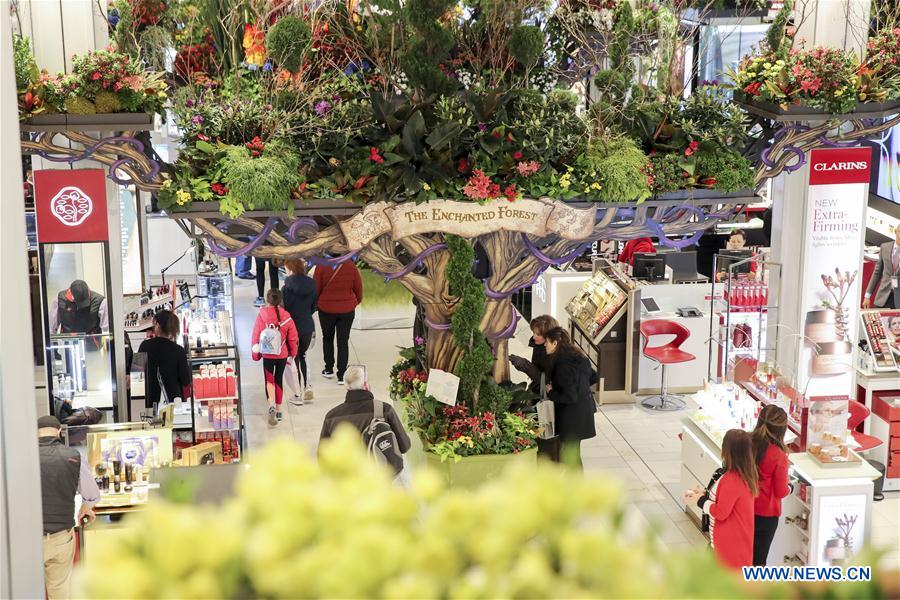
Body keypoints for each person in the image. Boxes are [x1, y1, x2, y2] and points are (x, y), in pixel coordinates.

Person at [37, 415, 100, 600]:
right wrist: (86, 507)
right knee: (60, 590)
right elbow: (92, 494)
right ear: (58, 431)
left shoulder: (21, 458)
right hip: (61, 536)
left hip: (27, 539)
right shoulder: (73, 456)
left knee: (26, 589)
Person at [684, 429, 757, 571]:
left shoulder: (732, 479)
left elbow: (721, 512)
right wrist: (705, 494)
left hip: (728, 547)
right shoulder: (745, 474)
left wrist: (700, 500)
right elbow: (725, 499)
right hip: (732, 543)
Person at [318, 365, 411, 476]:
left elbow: (322, 459)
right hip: (378, 479)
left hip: (347, 481)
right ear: (366, 385)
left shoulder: (332, 417)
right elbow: (405, 445)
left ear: (346, 387)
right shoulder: (383, 409)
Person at [542, 327, 597, 469]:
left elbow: (569, 396)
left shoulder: (562, 365)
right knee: (573, 452)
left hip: (572, 415)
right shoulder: (577, 356)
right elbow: (593, 376)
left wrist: (551, 391)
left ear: (555, 343)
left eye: (547, 342)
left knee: (571, 454)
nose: (544, 345)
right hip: (583, 410)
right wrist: (581, 388)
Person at [510, 315, 560, 461]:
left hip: (549, 397)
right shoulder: (539, 347)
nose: (534, 336)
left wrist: (525, 366)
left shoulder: (552, 353)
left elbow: (545, 379)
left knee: (549, 433)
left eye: (538, 334)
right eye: (534, 332)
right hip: (538, 392)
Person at [751, 405, 791, 566]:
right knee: (758, 562)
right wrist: (790, 488)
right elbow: (781, 491)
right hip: (766, 514)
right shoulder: (779, 456)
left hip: (743, 508)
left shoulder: (746, 442)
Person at [252, 289, 299, 426]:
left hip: (267, 354)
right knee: (278, 380)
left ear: (267, 300)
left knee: (269, 380)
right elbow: (293, 338)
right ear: (281, 300)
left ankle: (271, 404)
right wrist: (293, 354)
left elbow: (256, 335)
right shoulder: (287, 316)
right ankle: (279, 410)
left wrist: (256, 353)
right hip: (282, 354)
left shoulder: (262, 315)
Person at [314, 260, 363, 384]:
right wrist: (353, 303)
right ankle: (342, 374)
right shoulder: (351, 265)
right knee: (343, 341)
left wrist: (318, 303)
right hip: (347, 310)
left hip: (326, 309)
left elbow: (316, 288)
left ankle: (328, 368)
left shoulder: (321, 265)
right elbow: (358, 289)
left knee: (327, 338)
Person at [137, 311, 191, 411]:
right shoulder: (179, 351)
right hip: (174, 402)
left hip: (150, 400)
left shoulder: (144, 345)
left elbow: (136, 374)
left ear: (157, 325)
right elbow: (185, 380)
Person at [282, 259, 317, 404]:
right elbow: (314, 306)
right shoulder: (312, 285)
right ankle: (307, 385)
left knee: (293, 359)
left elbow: (284, 310)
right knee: (303, 355)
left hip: (292, 327)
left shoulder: (286, 288)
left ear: (290, 269)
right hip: (307, 325)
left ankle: (297, 395)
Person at [864, 227, 899, 309]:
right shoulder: (885, 247)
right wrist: (867, 296)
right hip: (883, 298)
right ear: (895, 231)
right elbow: (877, 273)